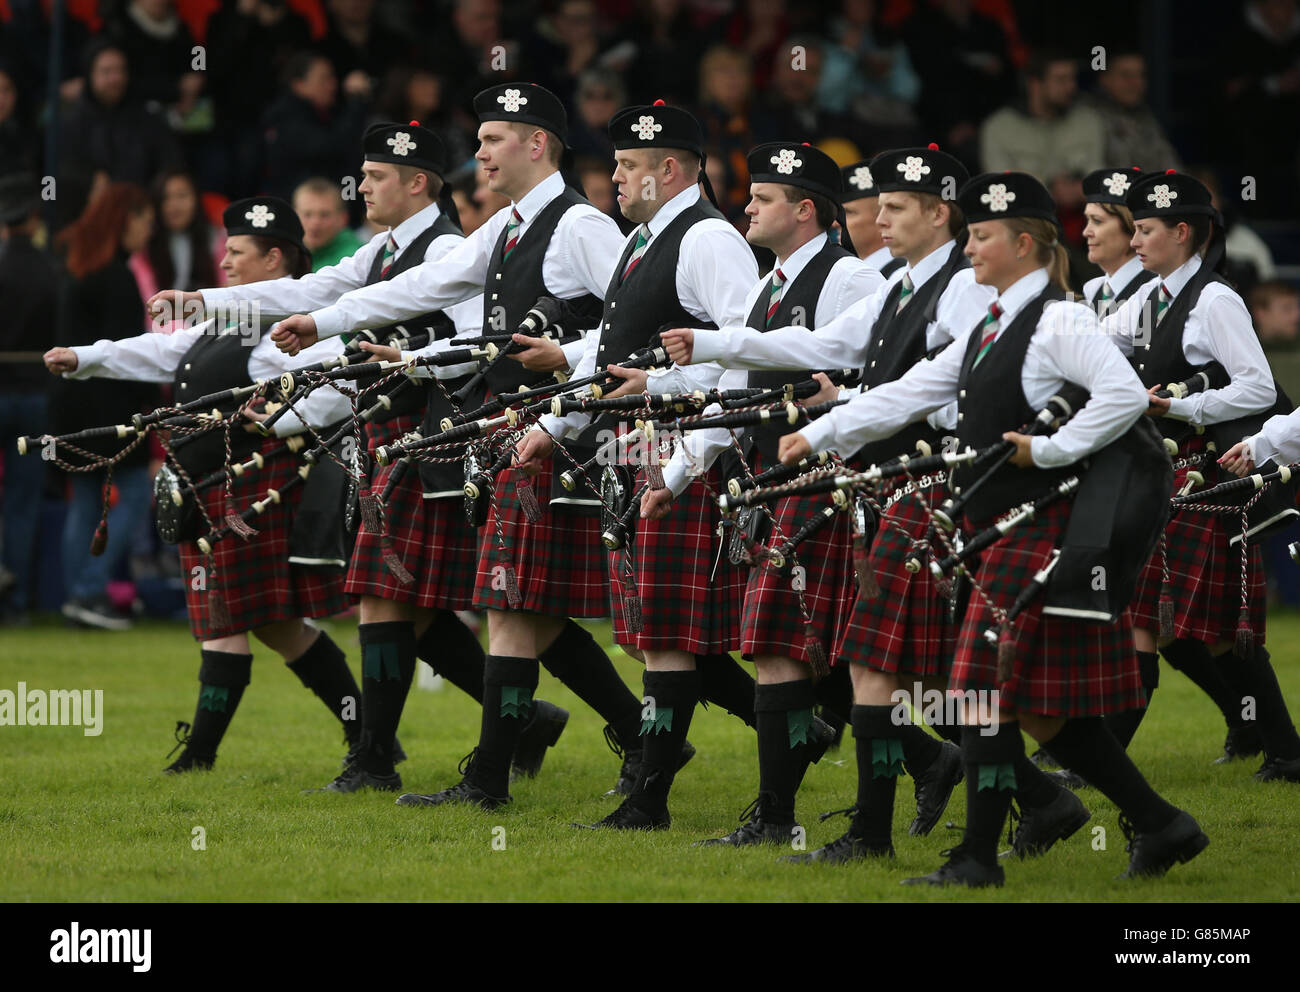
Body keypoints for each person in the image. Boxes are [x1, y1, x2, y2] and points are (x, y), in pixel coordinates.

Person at [776, 170, 1209, 885]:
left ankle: (977, 860)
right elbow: (915, 390)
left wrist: (1052, 449)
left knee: (980, 691)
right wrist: (824, 430)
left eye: (980, 236)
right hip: (1002, 530)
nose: (969, 248)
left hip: (1043, 529)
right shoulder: (994, 320)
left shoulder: (1061, 320)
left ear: (1026, 242)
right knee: (1036, 710)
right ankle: (1163, 824)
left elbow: (1126, 397)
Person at [150, 121, 567, 794]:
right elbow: (314, 294)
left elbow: (470, 351)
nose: (362, 187)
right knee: (410, 604)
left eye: (374, 177)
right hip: (385, 443)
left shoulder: (452, 247)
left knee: (479, 602)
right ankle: (508, 728)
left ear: (417, 184)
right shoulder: (380, 253)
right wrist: (209, 302)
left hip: (442, 443)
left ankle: (381, 757)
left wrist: (358, 361)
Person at [266, 84, 653, 807]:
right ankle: (531, 767)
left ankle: (509, 775)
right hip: (509, 431)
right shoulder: (505, 228)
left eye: (493, 138)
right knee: (515, 609)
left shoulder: (581, 226)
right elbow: (424, 286)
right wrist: (325, 325)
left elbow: (637, 323)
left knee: (524, 610)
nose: (476, 152)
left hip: (561, 435)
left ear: (537, 143)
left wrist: (569, 357)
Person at [663, 144, 1011, 862]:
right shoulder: (899, 284)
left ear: (939, 213)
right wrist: (711, 346)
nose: (877, 222)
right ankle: (898, 829)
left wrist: (832, 418)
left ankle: (1018, 812)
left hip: (938, 490)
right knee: (889, 668)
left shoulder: (960, 288)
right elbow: (825, 345)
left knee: (942, 673)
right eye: (874, 207)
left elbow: (947, 393)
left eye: (893, 208)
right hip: (889, 486)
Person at [513, 102, 767, 831]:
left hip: (681, 443)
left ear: (670, 169)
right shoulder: (642, 239)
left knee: (664, 633)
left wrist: (686, 459)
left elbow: (744, 360)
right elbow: (607, 352)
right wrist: (555, 421)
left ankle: (649, 800)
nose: (613, 178)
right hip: (634, 441)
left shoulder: (710, 239)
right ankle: (840, 740)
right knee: (650, 629)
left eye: (627, 166)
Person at [46, 197, 366, 774]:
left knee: (226, 622)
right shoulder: (233, 318)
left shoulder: (295, 332)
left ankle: (199, 756)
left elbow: (326, 397)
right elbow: (165, 351)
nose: (224, 263)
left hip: (248, 489)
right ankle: (369, 736)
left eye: (237, 252)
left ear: (274, 259)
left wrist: (268, 417)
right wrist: (86, 357)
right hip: (206, 488)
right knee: (276, 626)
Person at [626, 140, 879, 844]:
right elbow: (735, 394)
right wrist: (676, 477)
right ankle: (781, 816)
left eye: (762, 199)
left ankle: (790, 816)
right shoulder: (769, 286)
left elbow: (859, 373)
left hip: (829, 486)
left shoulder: (850, 279)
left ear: (804, 211)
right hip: (772, 483)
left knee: (829, 653)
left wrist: (717, 347)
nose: (747, 207)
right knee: (783, 646)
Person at [1102, 170, 1300, 782]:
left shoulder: (1216, 300)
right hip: (1164, 475)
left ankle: (1285, 752)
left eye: (1145, 229)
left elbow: (1260, 387)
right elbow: (1096, 344)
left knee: (1209, 631)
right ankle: (1278, 747)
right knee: (1153, 618)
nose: (1134, 240)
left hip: (1207, 474)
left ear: (1182, 232)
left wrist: (1182, 407)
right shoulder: (1148, 297)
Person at [50, 182, 160, 631]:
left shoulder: (78, 264)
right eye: (143, 220)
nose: (147, 230)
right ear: (125, 220)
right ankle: (88, 589)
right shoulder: (115, 275)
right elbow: (125, 354)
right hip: (107, 407)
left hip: (72, 404)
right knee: (131, 493)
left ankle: (82, 592)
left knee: (85, 503)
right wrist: (147, 408)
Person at [0, 174, 58, 625]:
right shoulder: (49, 267)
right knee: (23, 501)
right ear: (34, 218)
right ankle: (15, 602)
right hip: (35, 395)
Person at [132, 169, 224, 309]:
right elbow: (148, 305)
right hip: (159, 325)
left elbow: (225, 292)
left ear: (196, 199)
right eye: (166, 198)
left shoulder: (216, 240)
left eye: (182, 196)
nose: (174, 205)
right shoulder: (144, 247)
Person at [1086, 51, 1182, 171]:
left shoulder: (1145, 118)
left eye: (1141, 75)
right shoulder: (1088, 118)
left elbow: (1169, 164)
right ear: (1104, 79)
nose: (1135, 83)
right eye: (1125, 75)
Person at [1079, 167, 1156, 313]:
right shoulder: (1095, 290)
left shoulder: (1154, 290)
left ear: (1131, 226)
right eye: (1087, 220)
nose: (1086, 232)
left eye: (1097, 221)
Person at [839, 158, 904, 277]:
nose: (835, 223)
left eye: (849, 212)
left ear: (881, 218)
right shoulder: (843, 272)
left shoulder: (902, 276)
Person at [293, 177, 365, 272]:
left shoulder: (355, 257)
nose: (315, 222)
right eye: (307, 214)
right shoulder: (284, 249)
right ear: (293, 216)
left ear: (343, 218)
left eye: (324, 215)